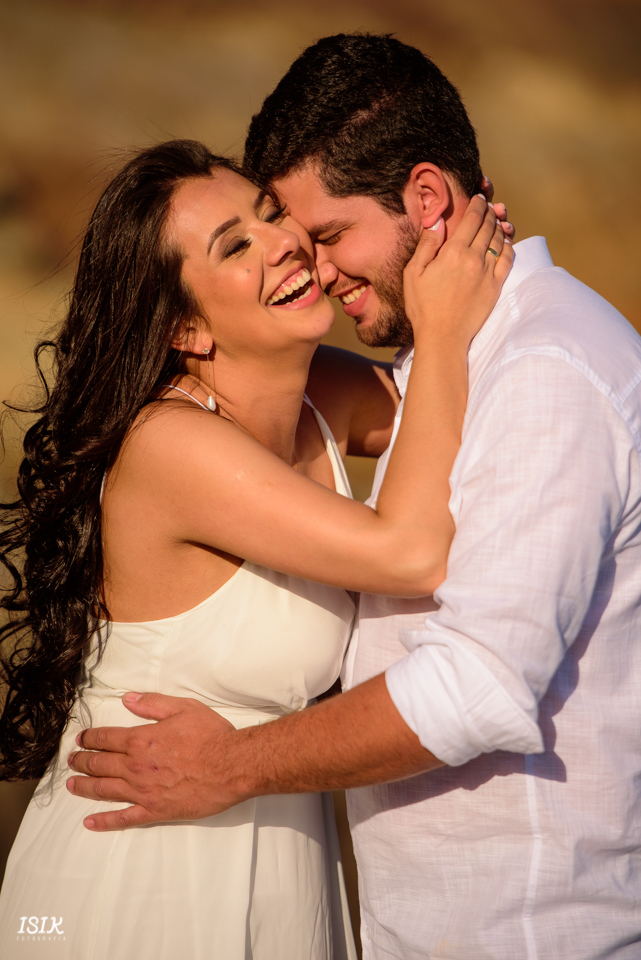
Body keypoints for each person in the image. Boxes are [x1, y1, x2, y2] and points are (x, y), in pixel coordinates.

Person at [65, 34, 641, 960]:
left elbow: (473, 684)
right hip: (163, 860)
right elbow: (409, 512)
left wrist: (237, 766)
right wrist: (445, 333)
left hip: (520, 934)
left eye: (318, 234)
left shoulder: (544, 374)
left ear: (426, 201)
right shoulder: (414, 374)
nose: (306, 261)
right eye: (258, 238)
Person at [0, 136, 510, 959]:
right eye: (235, 246)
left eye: (271, 215)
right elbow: (411, 551)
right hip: (134, 873)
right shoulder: (171, 444)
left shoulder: (324, 398)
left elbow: (471, 415)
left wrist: (456, 253)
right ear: (186, 329)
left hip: (278, 854)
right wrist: (443, 329)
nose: (281, 242)